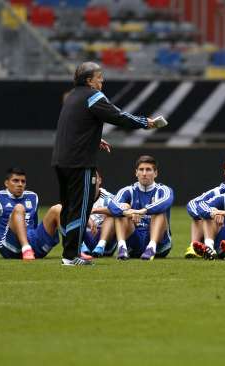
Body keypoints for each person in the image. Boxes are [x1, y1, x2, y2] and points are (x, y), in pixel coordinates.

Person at [52, 61, 157, 266]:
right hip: (80, 163)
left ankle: (68, 253)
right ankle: (71, 256)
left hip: (61, 160)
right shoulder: (93, 96)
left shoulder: (72, 96)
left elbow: (74, 126)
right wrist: (145, 122)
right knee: (80, 208)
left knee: (67, 208)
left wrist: (94, 139)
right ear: (90, 80)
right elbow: (118, 116)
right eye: (99, 78)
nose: (102, 82)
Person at [0, 168, 61, 260]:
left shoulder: (33, 196)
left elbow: (34, 224)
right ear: (6, 183)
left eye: (23, 181)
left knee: (57, 209)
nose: (20, 184)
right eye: (15, 181)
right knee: (19, 208)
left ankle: (72, 252)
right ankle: (26, 249)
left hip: (34, 244)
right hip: (9, 247)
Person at [108, 155, 174, 260]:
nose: (144, 173)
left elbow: (166, 201)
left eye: (148, 170)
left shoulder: (163, 190)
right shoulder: (127, 190)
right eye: (141, 170)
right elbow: (112, 205)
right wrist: (127, 212)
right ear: (136, 173)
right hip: (135, 241)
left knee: (160, 211)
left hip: (159, 244)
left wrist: (142, 211)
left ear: (155, 173)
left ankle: (151, 248)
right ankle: (122, 247)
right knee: (121, 209)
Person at [184, 152, 225, 259]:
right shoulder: (218, 192)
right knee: (201, 214)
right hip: (222, 234)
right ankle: (194, 248)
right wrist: (211, 213)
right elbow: (192, 204)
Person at [80, 171, 117, 257]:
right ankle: (80, 246)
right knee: (63, 210)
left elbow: (120, 209)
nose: (91, 182)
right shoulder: (78, 198)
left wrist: (96, 210)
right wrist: (88, 219)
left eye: (93, 179)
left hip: (105, 241)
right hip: (85, 238)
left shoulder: (108, 197)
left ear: (99, 180)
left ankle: (101, 246)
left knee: (112, 213)